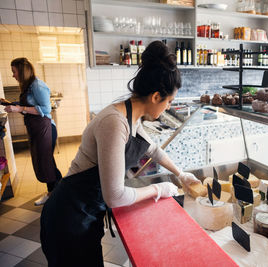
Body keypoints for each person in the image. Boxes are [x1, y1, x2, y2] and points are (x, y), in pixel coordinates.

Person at [40, 41, 200, 267]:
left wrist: (180, 173)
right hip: (69, 216)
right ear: (156, 96)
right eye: (169, 102)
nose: (168, 108)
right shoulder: (114, 123)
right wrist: (158, 189)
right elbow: (114, 196)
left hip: (87, 212)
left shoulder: (131, 115)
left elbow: (153, 149)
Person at [3, 58, 62, 206]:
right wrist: (9, 104)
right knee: (45, 161)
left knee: (46, 162)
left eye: (14, 72)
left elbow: (46, 109)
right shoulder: (28, 86)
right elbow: (28, 105)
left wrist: (19, 109)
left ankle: (54, 193)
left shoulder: (37, 85)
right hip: (36, 129)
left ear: (22, 71)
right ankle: (59, 191)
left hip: (45, 128)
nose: (13, 75)